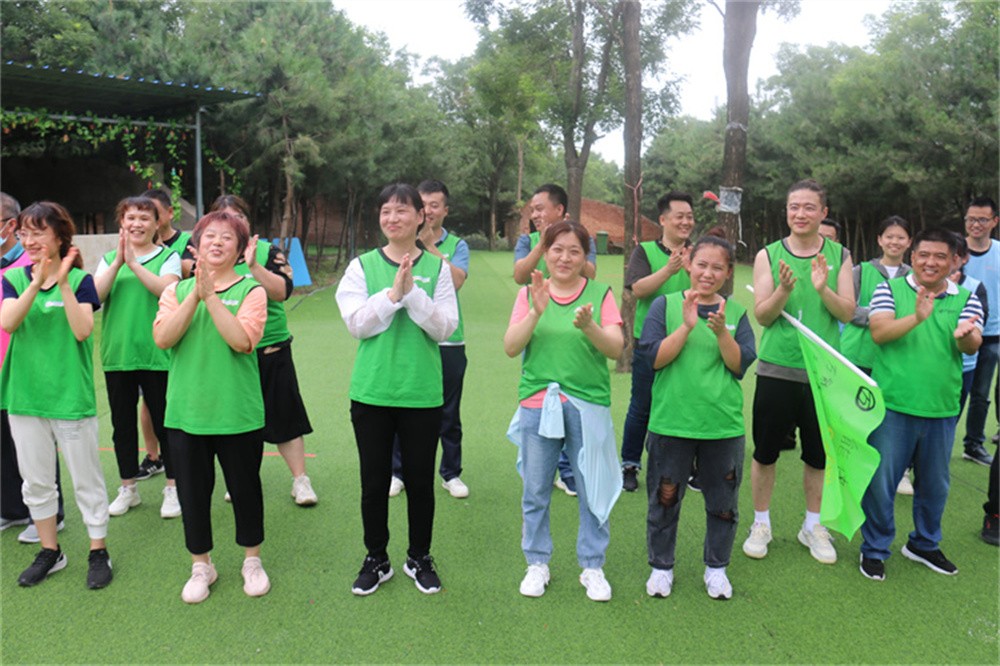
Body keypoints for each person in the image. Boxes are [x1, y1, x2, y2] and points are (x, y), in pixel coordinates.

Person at [336, 183, 458, 596]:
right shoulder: (361, 266)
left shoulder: (439, 269)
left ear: (421, 217)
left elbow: (444, 329)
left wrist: (413, 294)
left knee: (421, 483)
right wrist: (392, 295)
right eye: (386, 210)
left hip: (421, 392)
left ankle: (419, 556)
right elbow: (357, 324)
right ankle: (377, 558)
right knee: (373, 483)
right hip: (372, 391)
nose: (393, 218)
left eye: (402, 210)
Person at [504, 221, 624, 602]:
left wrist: (589, 326)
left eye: (575, 251)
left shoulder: (600, 293)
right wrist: (535, 313)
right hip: (539, 403)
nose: (565, 258)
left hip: (587, 404)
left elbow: (616, 348)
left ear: (586, 256)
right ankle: (536, 562)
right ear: (545, 251)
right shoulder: (529, 293)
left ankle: (592, 565)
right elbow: (511, 346)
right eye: (557, 249)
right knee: (536, 488)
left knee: (591, 488)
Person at [153, 210, 270, 603]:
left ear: (240, 249)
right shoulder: (175, 292)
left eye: (227, 237)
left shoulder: (252, 290)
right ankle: (201, 565)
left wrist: (212, 298)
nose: (217, 242)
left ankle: (252, 560)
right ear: (196, 245)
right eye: (210, 236)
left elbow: (242, 341)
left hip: (237, 413)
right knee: (192, 495)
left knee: (245, 490)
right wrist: (195, 295)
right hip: (186, 413)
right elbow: (164, 339)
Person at [859, 227, 983, 580]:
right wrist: (917, 317)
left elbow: (971, 343)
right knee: (882, 483)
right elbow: (879, 333)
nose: (931, 262)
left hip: (941, 408)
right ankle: (875, 548)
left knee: (935, 485)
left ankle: (924, 544)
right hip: (893, 406)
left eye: (940, 256)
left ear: (954, 261)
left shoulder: (966, 297)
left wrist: (966, 337)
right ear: (912, 257)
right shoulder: (889, 289)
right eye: (924, 255)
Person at [1, 201, 113, 589]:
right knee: (35, 482)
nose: (29, 240)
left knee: (86, 479)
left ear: (60, 236)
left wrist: (62, 281)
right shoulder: (13, 281)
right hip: (25, 397)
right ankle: (50, 551)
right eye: (25, 233)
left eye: (38, 233)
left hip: (69, 397)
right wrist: (36, 281)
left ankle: (98, 550)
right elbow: (9, 322)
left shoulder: (81, 282)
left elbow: (82, 330)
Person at [744, 179, 855, 565]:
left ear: (823, 212)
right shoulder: (768, 255)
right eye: (794, 207)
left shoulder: (840, 255)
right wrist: (783, 291)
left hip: (823, 374)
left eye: (809, 207)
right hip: (777, 368)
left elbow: (847, 312)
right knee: (766, 452)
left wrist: (823, 289)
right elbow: (763, 315)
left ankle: (812, 525)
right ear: (787, 211)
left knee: (818, 455)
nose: (800, 214)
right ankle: (761, 523)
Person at [641, 233, 756, 600]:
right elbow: (655, 359)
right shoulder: (664, 305)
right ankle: (661, 567)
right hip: (672, 422)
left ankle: (716, 568)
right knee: (665, 500)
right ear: (689, 264)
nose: (708, 273)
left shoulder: (736, 314)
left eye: (717, 267)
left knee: (723, 504)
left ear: (728, 272)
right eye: (702, 264)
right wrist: (687, 326)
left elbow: (738, 366)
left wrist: (722, 333)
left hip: (721, 426)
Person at [210, 195, 317, 506]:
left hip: (270, 349)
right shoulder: (211, 255)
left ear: (248, 221)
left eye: (238, 217)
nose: (232, 223)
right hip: (230, 352)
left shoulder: (269, 252)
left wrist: (254, 266)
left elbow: (282, 292)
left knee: (285, 417)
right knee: (237, 421)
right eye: (224, 217)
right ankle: (240, 479)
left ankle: (300, 480)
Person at [95, 197, 182, 519]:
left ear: (157, 223)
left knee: (164, 423)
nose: (137, 224)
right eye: (130, 218)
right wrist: (119, 262)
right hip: (118, 355)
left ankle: (173, 487)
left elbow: (167, 291)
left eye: (145, 218)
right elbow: (95, 296)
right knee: (122, 426)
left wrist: (133, 264)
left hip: (157, 354)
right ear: (122, 223)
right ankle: (128, 487)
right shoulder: (108, 259)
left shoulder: (168, 257)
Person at [513, 184, 597, 496]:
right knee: (540, 398)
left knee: (570, 400)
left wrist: (568, 246)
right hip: (537, 326)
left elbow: (590, 273)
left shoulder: (581, 237)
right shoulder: (527, 240)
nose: (534, 214)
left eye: (540, 208)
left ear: (559, 210)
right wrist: (544, 243)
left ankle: (567, 469)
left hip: (573, 327)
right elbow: (520, 275)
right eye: (532, 210)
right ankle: (542, 465)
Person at [389, 180, 471, 499]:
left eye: (435, 205)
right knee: (402, 407)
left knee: (448, 412)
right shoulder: (399, 244)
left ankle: (451, 473)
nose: (429, 210)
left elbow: (458, 281)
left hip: (449, 342)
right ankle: (397, 472)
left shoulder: (457, 246)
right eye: (423, 204)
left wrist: (429, 247)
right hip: (408, 341)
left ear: (445, 210)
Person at [0, 192, 67, 543]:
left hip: (26, 366)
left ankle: (50, 515)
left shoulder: (33, 264)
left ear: (9, 225)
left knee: (34, 446)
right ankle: (12, 509)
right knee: (3, 444)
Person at [620, 191, 693, 492]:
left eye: (690, 217)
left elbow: (712, 286)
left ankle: (686, 466)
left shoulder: (697, 253)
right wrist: (669, 269)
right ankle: (630, 464)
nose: (686, 222)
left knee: (685, 404)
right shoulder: (645, 251)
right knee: (642, 406)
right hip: (650, 342)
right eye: (680, 216)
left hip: (689, 341)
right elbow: (637, 289)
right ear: (663, 220)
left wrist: (691, 269)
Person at [840, 216, 913, 494]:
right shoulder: (860, 271)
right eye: (889, 236)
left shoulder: (914, 276)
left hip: (896, 358)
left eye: (900, 237)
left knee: (891, 419)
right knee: (855, 417)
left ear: (909, 242)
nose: (894, 242)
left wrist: (880, 315)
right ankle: (850, 469)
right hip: (858, 355)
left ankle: (899, 472)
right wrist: (883, 316)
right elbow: (848, 310)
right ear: (879, 240)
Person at [133, 188, 193, 480]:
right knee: (147, 401)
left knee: (171, 401)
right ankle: (153, 456)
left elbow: (190, 273)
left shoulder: (185, 243)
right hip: (142, 337)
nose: (142, 221)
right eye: (137, 216)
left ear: (167, 214)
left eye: (151, 213)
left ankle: (181, 458)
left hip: (178, 331)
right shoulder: (132, 248)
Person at [961, 197, 998, 467]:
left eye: (982, 219)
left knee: (981, 394)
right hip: (957, 332)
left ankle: (973, 444)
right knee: (953, 391)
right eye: (971, 219)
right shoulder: (955, 250)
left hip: (993, 334)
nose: (976, 224)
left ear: (994, 222)